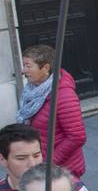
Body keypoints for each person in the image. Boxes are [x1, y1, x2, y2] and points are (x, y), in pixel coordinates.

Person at [18, 45, 87, 178]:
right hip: (40, 166)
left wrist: (48, 163)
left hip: (61, 171)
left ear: (46, 68)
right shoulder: (33, 91)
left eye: (28, 65)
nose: (23, 70)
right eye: (24, 65)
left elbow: (77, 137)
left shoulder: (64, 95)